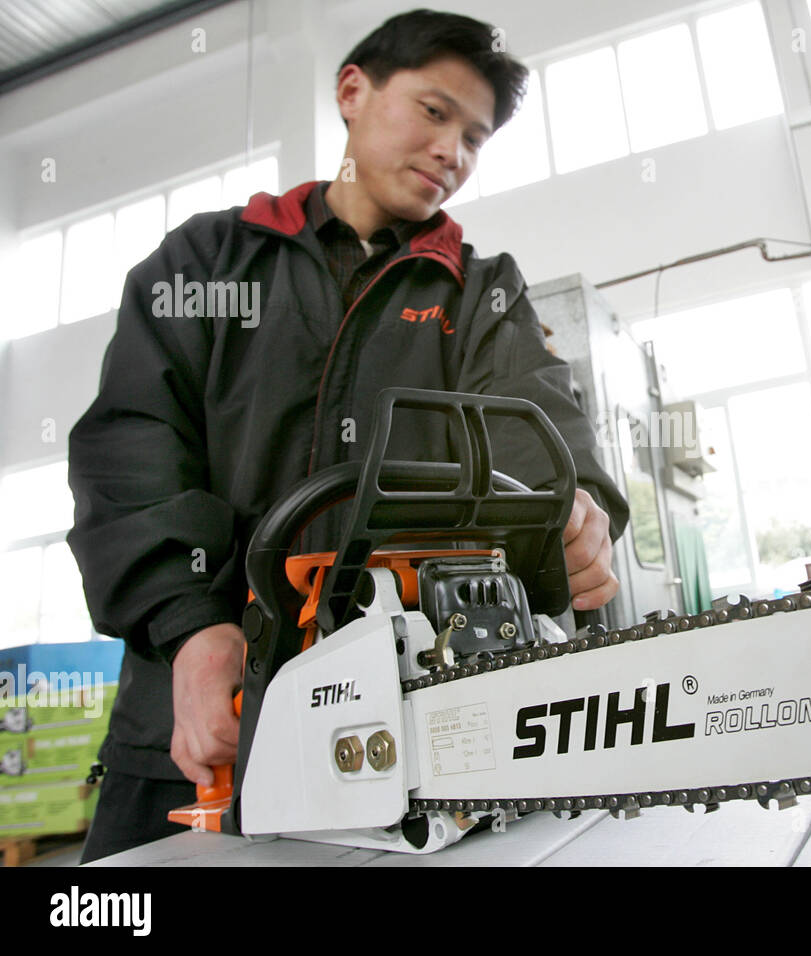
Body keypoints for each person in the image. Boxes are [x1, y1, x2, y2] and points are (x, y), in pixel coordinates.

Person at [67, 10, 629, 863]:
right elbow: (134, 443)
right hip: (196, 722)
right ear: (353, 91)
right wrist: (189, 625)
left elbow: (536, 417)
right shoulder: (209, 265)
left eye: (475, 137)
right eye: (435, 112)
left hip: (413, 733)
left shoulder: (478, 294)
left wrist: (569, 510)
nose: (454, 152)